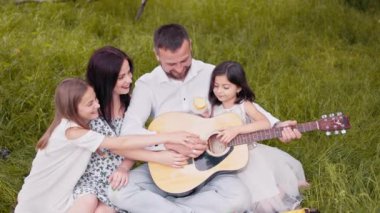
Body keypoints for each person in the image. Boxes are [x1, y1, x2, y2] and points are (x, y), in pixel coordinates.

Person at [108, 24, 301, 213]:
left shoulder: (210, 73)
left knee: (239, 198)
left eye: (184, 60)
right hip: (167, 164)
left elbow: (240, 104)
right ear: (156, 55)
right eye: (170, 64)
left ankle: (164, 208)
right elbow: (129, 132)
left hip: (211, 166)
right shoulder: (147, 85)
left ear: (190, 46)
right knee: (117, 191)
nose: (179, 68)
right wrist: (168, 144)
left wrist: (276, 124)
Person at [14, 78, 197, 213]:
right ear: (72, 109)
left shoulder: (75, 125)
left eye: (95, 99)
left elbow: (125, 143)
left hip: (58, 196)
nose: (97, 105)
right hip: (39, 201)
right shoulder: (73, 132)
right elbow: (121, 143)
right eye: (90, 104)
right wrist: (167, 137)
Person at [72, 46, 192, 213]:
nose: (129, 80)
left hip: (117, 177)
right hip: (92, 176)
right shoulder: (91, 107)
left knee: (103, 211)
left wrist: (124, 168)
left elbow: (138, 142)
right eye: (121, 77)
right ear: (105, 79)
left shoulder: (132, 104)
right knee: (86, 204)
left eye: (129, 73)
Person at [209, 61, 309, 212]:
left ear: (239, 88)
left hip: (251, 157)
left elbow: (265, 123)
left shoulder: (243, 105)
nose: (219, 91)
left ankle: (286, 191)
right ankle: (283, 188)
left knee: (264, 201)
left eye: (226, 87)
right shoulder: (213, 108)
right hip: (228, 161)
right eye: (216, 86)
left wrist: (237, 130)